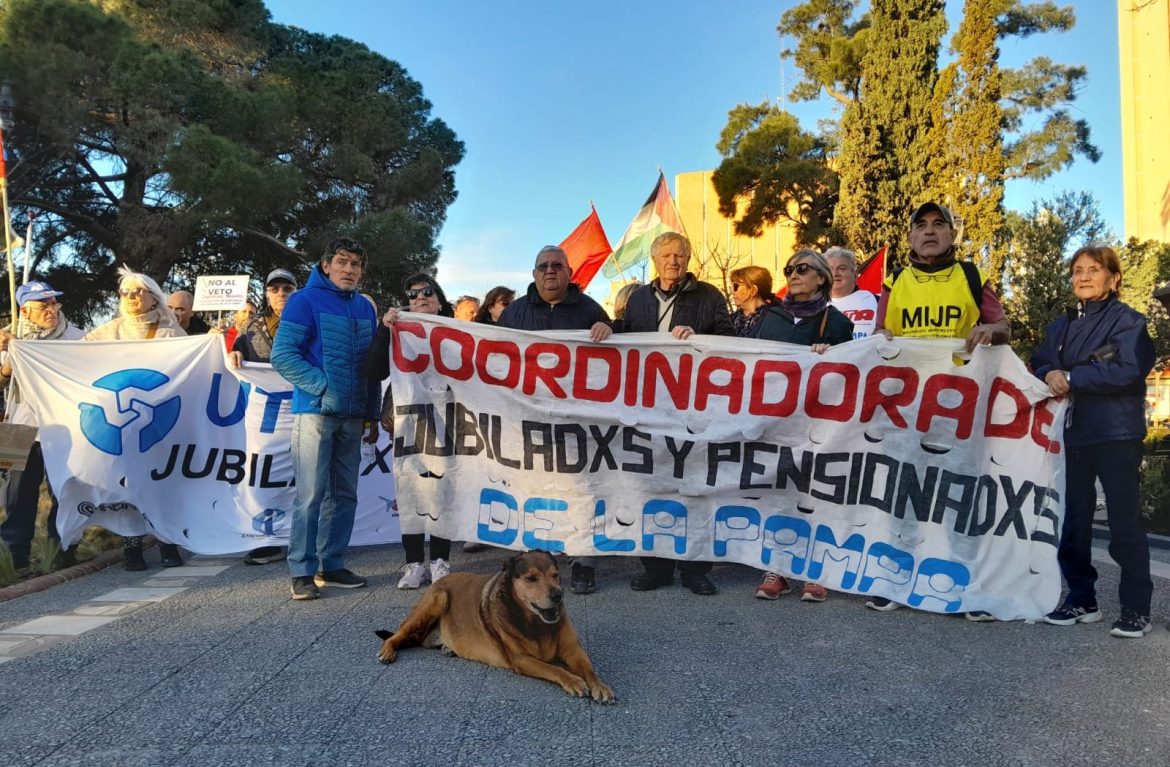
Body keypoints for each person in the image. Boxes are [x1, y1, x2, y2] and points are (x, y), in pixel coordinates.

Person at [870, 202, 1010, 616]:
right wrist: (882, 335)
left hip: (958, 407)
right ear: (910, 236)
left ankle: (969, 585)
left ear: (952, 234)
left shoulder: (971, 276)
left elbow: (1005, 328)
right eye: (921, 226)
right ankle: (896, 581)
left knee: (960, 496)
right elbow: (878, 333)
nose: (929, 232)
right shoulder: (894, 281)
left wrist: (989, 328)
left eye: (938, 225)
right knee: (903, 493)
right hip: (906, 407)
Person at [1032, 245, 1155, 639]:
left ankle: (1136, 609)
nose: (1083, 277)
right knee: (1073, 519)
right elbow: (1041, 359)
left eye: (1093, 270)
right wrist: (1051, 370)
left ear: (1113, 278)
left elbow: (1126, 370)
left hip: (1117, 433)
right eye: (1077, 270)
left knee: (1124, 523)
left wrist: (1073, 377)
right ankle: (1082, 598)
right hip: (1073, 433)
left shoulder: (1129, 322)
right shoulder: (1061, 325)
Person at [617, 232, 734, 595]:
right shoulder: (637, 299)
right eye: (666, 254)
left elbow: (731, 338)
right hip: (649, 409)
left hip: (695, 410)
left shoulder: (710, 297)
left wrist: (701, 336)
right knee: (654, 486)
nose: (673, 261)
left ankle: (696, 568)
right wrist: (608, 327)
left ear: (688, 260)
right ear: (655, 259)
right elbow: (623, 339)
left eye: (680, 255)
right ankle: (656, 566)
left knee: (696, 488)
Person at [495, 246, 612, 593]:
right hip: (528, 418)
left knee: (582, 492)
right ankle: (536, 566)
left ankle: (583, 563)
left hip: (577, 421)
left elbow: (620, 355)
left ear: (569, 272)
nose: (550, 271)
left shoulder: (591, 309)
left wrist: (609, 328)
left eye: (557, 265)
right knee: (533, 491)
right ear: (534, 274)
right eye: (543, 266)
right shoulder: (515, 313)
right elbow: (494, 356)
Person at [270, 239, 379, 601]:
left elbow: (372, 367)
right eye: (343, 262)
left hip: (353, 416)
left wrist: (372, 412)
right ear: (327, 264)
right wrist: (323, 386)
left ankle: (331, 565)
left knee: (345, 494)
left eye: (356, 264)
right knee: (311, 494)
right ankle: (301, 571)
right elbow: (283, 355)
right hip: (315, 413)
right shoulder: (304, 300)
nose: (349, 270)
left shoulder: (365, 307)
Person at [746, 251, 853, 603]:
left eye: (802, 269)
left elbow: (853, 371)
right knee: (777, 493)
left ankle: (814, 571)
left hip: (817, 423)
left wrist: (831, 356)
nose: (793, 274)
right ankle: (776, 567)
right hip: (774, 421)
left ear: (821, 277)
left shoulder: (836, 323)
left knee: (814, 495)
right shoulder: (770, 318)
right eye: (789, 269)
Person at [85, 267, 186, 570]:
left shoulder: (172, 334)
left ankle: (167, 541)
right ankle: (132, 545)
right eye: (125, 292)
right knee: (128, 482)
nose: (131, 297)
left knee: (163, 480)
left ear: (153, 298)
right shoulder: (106, 333)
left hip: (161, 421)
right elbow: (72, 357)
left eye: (137, 291)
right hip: (123, 423)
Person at [365, 272, 457, 589]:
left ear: (440, 300)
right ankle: (414, 563)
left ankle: (440, 560)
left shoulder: (459, 332)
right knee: (411, 492)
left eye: (427, 291)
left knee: (441, 492)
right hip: (409, 421)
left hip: (449, 421)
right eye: (412, 292)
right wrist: (383, 330)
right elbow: (374, 370)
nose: (419, 296)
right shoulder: (396, 330)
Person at [0, 282, 86, 571]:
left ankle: (61, 551)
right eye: (43, 305)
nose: (51, 310)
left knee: (64, 491)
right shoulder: (7, 339)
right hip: (19, 427)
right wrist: (7, 365)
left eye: (54, 304)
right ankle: (15, 558)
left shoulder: (76, 338)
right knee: (17, 496)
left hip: (66, 427)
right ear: (25, 310)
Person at [230, 269, 298, 566]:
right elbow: (238, 350)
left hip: (303, 403)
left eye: (287, 288)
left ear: (296, 291)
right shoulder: (252, 326)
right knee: (261, 470)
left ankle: (300, 535)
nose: (281, 293)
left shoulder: (310, 319)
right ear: (266, 293)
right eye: (275, 289)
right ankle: (265, 539)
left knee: (306, 470)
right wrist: (232, 351)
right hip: (266, 409)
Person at [826, 246, 878, 339]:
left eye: (842, 269)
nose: (834, 274)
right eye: (829, 270)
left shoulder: (877, 300)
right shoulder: (813, 307)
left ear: (854, 275)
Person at [728, 266, 776, 338]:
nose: (732, 291)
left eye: (735, 286)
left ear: (753, 290)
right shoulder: (729, 321)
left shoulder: (776, 320)